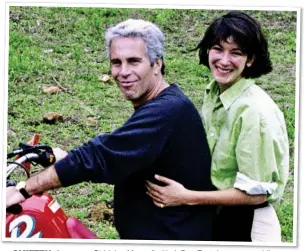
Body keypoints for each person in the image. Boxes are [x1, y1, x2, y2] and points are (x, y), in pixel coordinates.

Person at [6, 19, 216, 240]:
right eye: (116, 62)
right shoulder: (165, 102)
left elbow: (99, 156)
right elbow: (120, 151)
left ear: (157, 64)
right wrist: (66, 157)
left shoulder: (167, 111)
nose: (123, 72)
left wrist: (22, 190)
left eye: (134, 61)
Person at [146, 11, 289, 242]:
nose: (224, 60)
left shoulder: (255, 112)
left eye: (236, 53)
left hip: (248, 225)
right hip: (219, 216)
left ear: (250, 59)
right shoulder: (214, 92)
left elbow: (256, 194)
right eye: (218, 49)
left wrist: (186, 197)